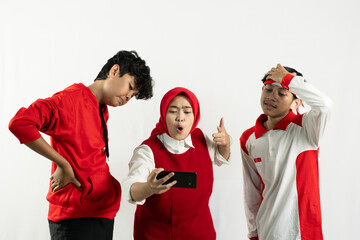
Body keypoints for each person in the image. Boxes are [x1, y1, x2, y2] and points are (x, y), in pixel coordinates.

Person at [8, 50, 154, 240]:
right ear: (115, 70)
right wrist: (63, 164)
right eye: (130, 87)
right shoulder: (70, 100)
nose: (128, 97)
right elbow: (20, 123)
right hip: (75, 217)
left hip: (100, 213)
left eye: (133, 95)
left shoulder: (101, 109)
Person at [122, 87, 231, 239]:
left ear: (195, 116)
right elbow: (130, 189)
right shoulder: (147, 150)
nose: (180, 118)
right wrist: (148, 188)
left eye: (187, 112)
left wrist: (225, 144)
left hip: (199, 233)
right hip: (156, 235)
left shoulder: (201, 139)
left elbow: (221, 157)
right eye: (173, 111)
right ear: (163, 114)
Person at [240, 64, 333, 240]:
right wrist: (253, 234)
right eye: (268, 90)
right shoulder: (248, 138)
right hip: (268, 232)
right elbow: (251, 191)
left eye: (282, 93)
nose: (272, 97)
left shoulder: (307, 127)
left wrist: (289, 80)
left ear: (297, 102)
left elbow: (325, 106)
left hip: (304, 233)